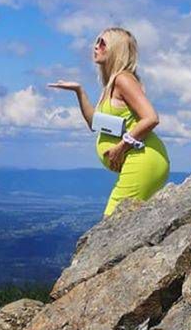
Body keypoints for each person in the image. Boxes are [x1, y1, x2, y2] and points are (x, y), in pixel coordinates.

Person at [48, 27, 171, 217]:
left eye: (103, 43)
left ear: (117, 49)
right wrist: (79, 92)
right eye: (96, 42)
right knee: (122, 226)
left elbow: (151, 118)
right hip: (139, 159)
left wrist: (121, 147)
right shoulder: (112, 84)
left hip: (143, 158)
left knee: (112, 223)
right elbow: (94, 124)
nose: (96, 46)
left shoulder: (123, 80)